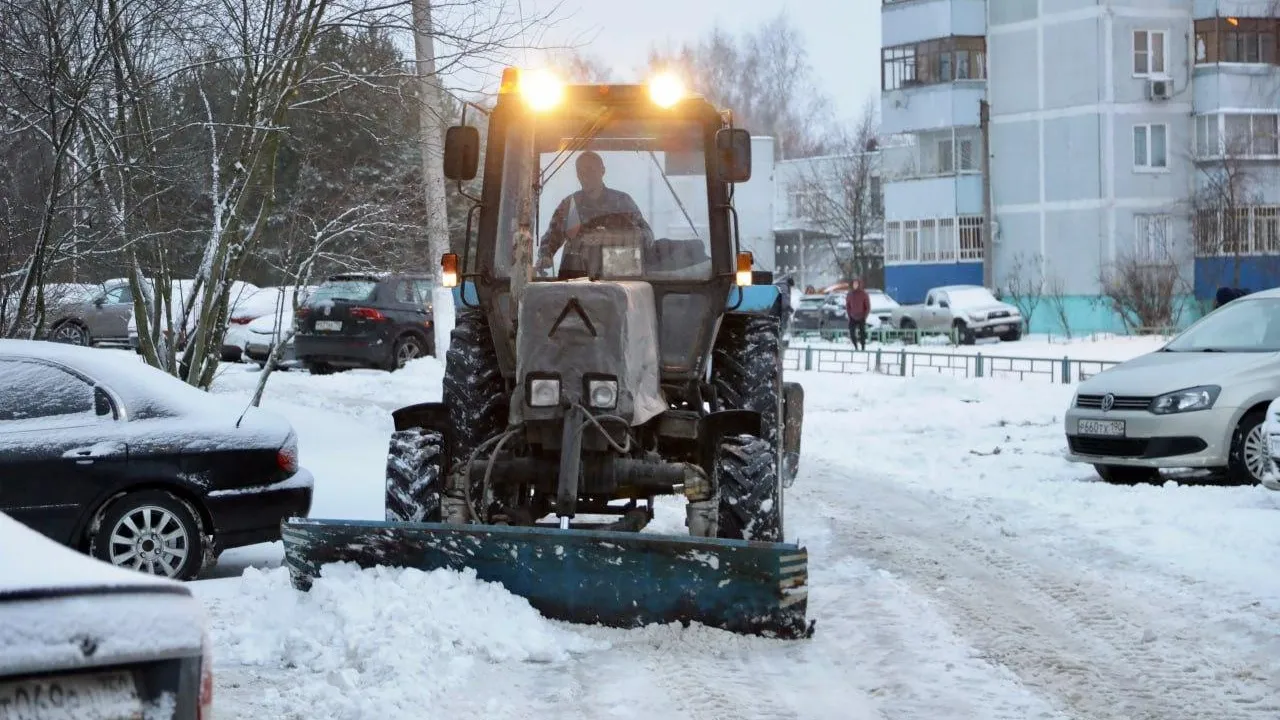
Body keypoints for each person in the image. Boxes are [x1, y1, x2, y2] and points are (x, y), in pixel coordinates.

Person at [537, 151, 653, 277]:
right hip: (575, 280)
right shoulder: (570, 206)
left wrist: (614, 237)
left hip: (617, 278)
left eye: (590, 170)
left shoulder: (622, 203)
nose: (585, 176)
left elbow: (647, 237)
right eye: (580, 172)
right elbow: (551, 239)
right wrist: (545, 257)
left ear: (602, 171)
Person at [845, 278, 871, 351]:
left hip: (861, 316)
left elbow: (868, 307)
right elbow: (847, 306)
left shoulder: (864, 294)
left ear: (859, 284)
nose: (855, 285)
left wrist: (865, 316)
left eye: (856, 284)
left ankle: (863, 347)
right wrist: (849, 315)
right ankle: (856, 346)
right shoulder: (850, 294)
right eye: (854, 284)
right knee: (852, 333)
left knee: (862, 333)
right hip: (852, 316)